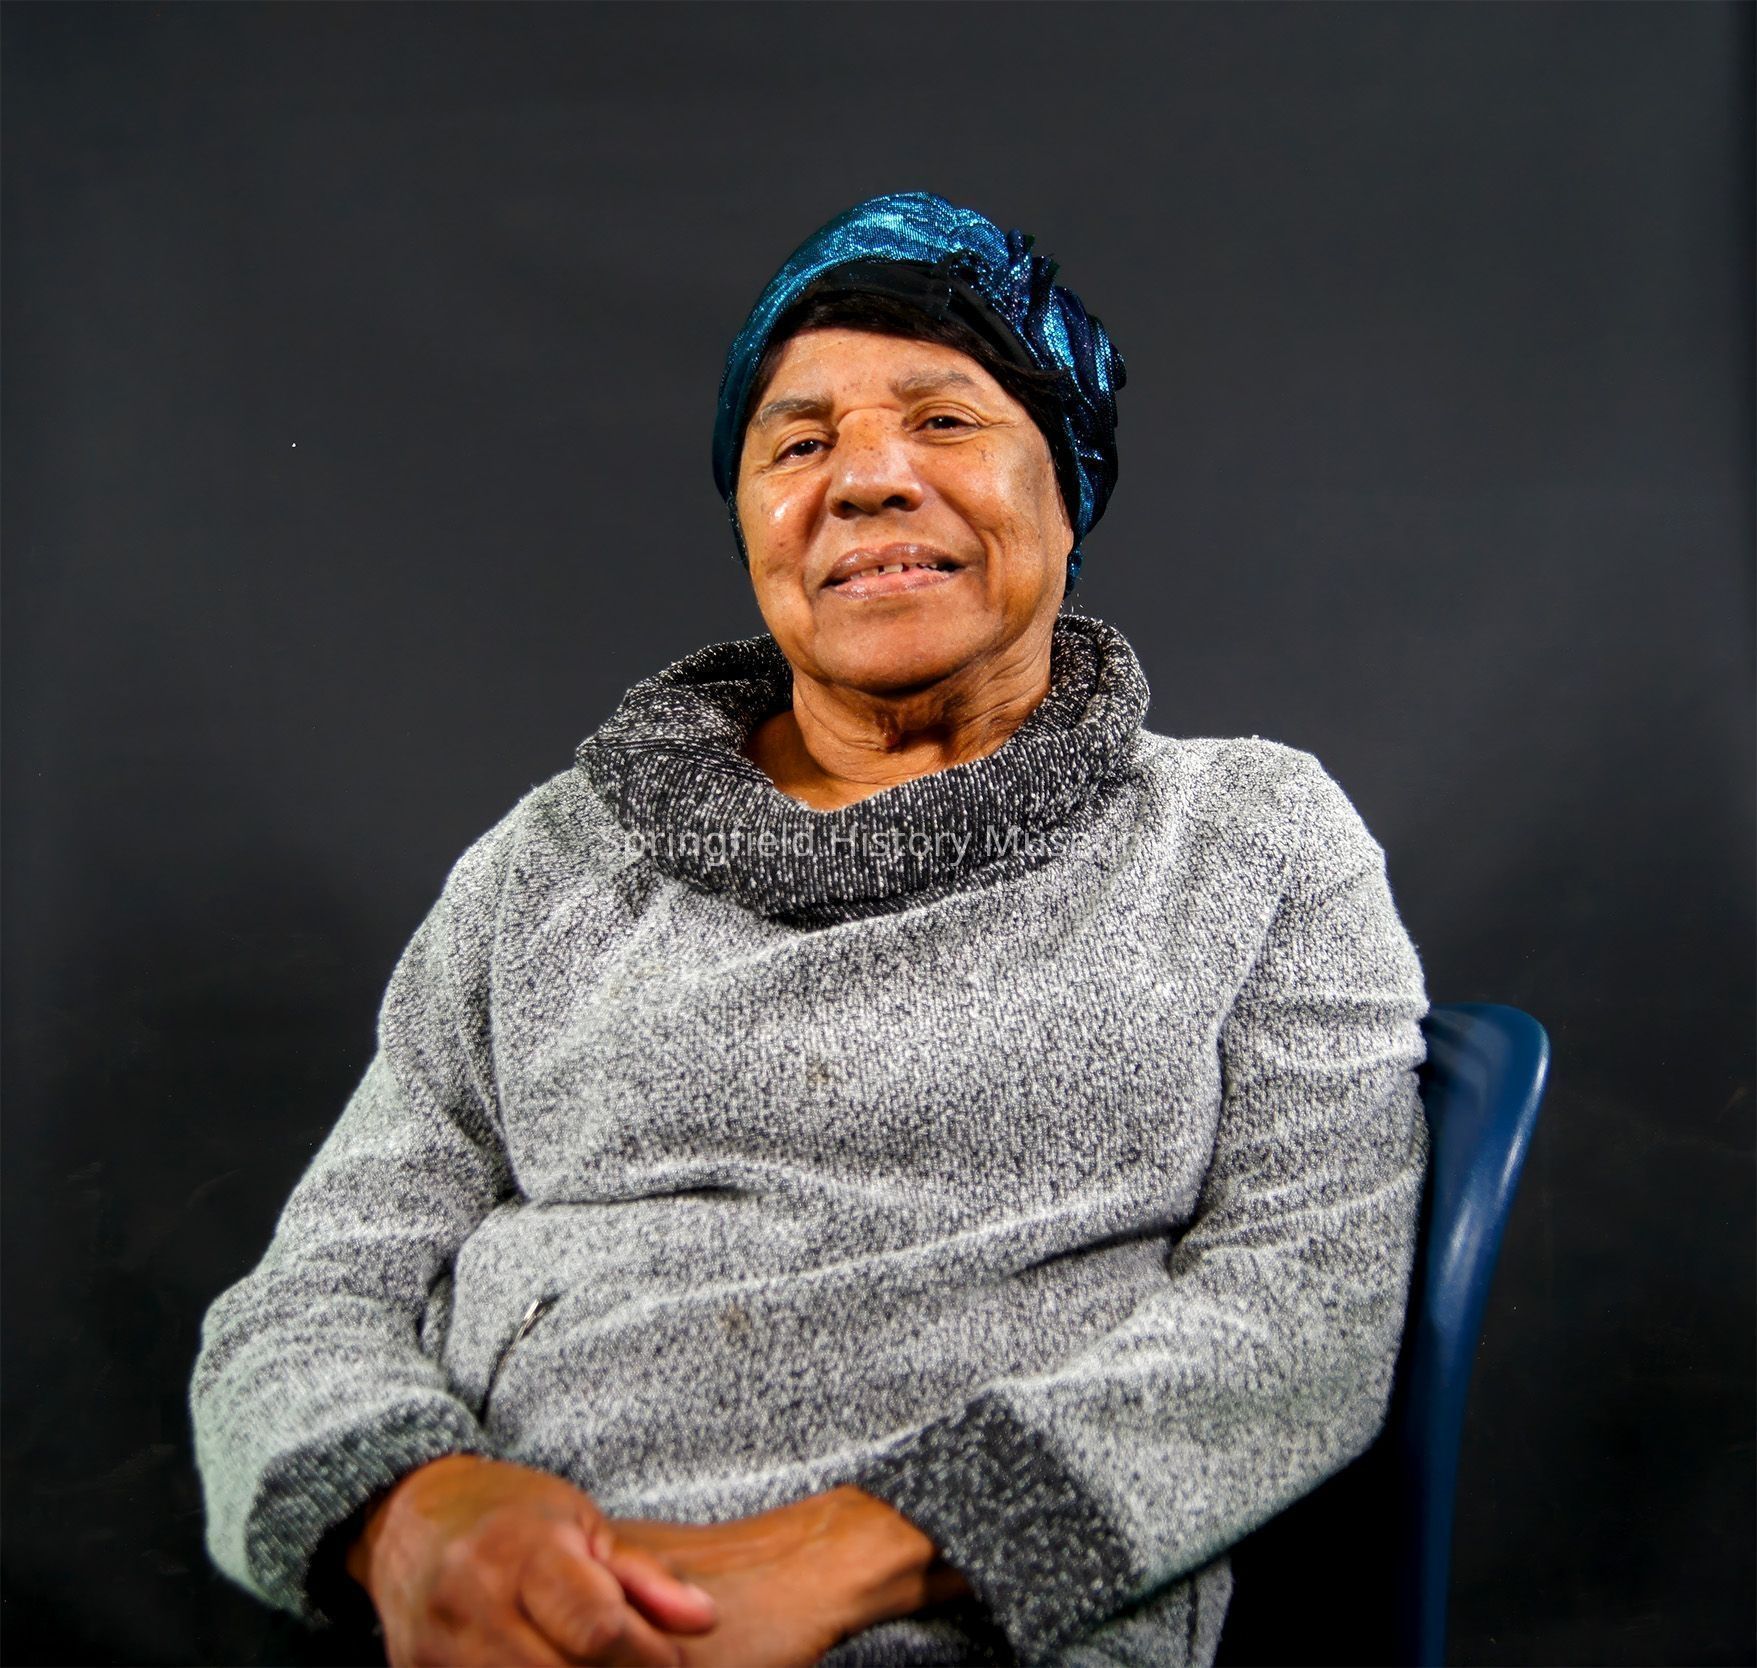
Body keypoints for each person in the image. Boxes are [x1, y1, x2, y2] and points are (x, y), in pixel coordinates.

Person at [190, 189, 1430, 1668]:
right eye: (796, 444)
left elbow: (1305, 1309)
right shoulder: (553, 861)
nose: (867, 481)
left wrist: (821, 1564)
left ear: (1067, 492)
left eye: (945, 421)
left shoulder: (1248, 837)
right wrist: (412, 1513)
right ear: (751, 524)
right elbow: (316, 1292)